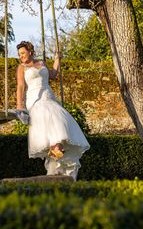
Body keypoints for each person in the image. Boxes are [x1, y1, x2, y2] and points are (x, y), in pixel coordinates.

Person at [16, 41, 90, 180]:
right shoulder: (22, 67)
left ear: (30, 51)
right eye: (19, 54)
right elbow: (20, 86)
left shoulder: (41, 63)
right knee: (45, 112)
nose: (21, 56)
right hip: (34, 99)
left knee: (58, 117)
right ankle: (55, 148)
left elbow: (53, 74)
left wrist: (57, 59)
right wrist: (20, 105)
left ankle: (56, 149)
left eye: (23, 53)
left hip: (48, 95)